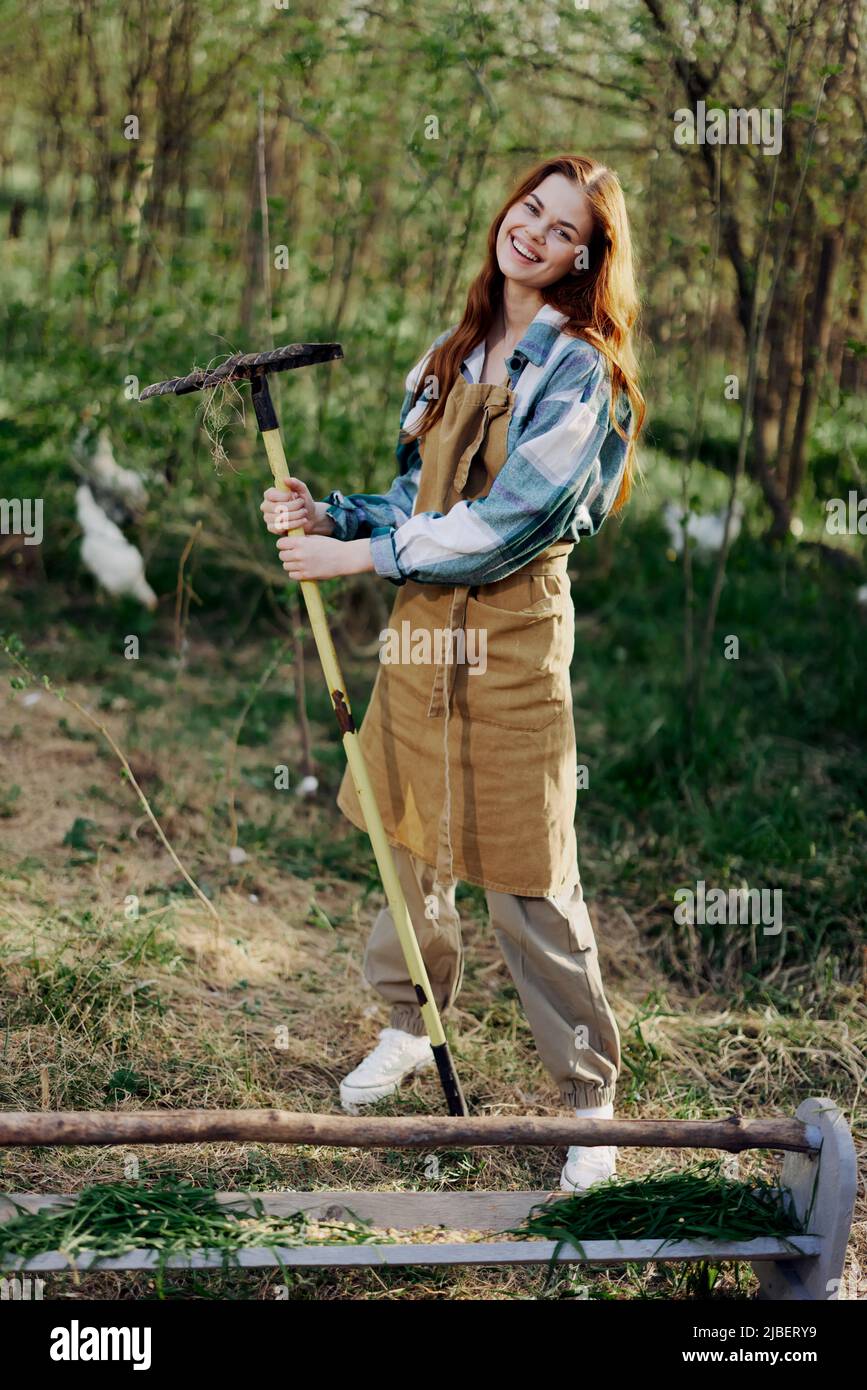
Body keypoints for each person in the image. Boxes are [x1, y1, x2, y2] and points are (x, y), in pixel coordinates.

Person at [261, 154, 645, 1191]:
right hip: (423, 635)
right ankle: (409, 1025)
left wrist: (356, 557)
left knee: (529, 874)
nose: (535, 232)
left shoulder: (582, 371)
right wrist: (329, 514)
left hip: (513, 642)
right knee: (408, 842)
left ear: (583, 258)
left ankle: (588, 1104)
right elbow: (413, 502)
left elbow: (506, 524)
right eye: (530, 208)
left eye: (563, 228)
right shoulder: (450, 352)